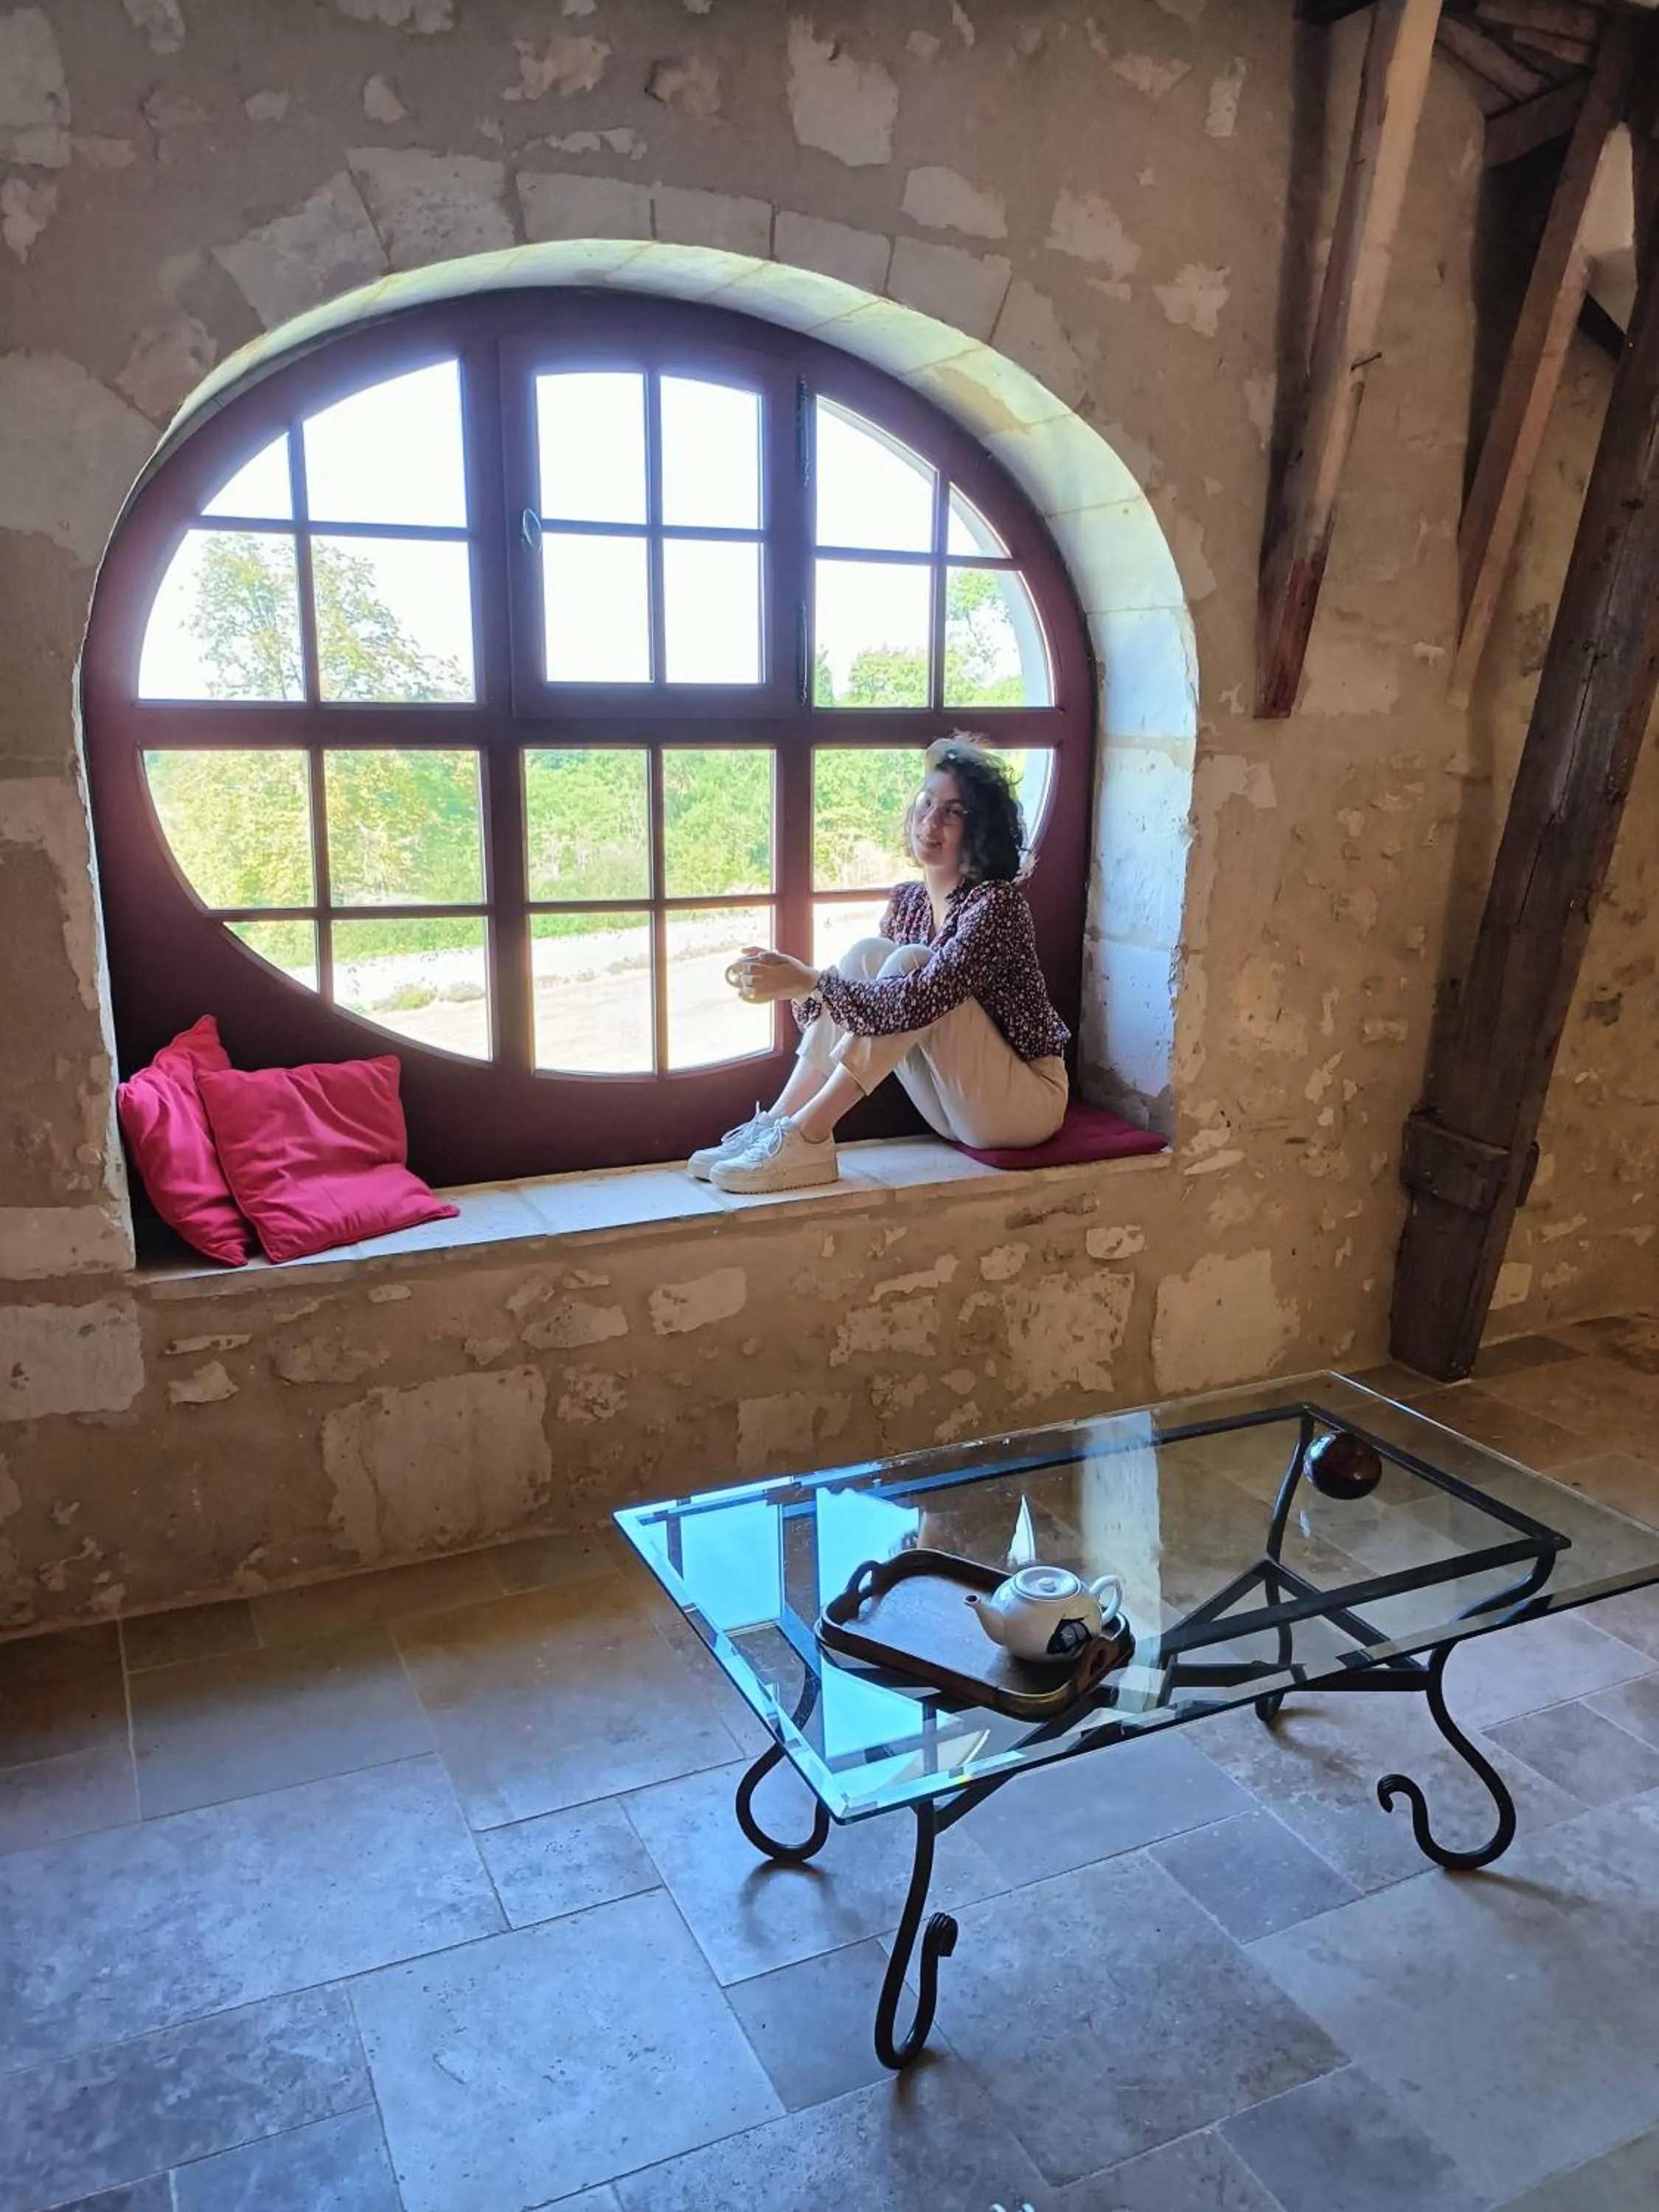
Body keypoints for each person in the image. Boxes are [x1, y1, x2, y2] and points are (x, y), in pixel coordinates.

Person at [690, 735, 1071, 1194]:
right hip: (956, 1105)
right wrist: (802, 989)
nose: (931, 821)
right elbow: (865, 1011)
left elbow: (922, 996)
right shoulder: (908, 903)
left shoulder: (997, 904)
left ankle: (809, 1135)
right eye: (925, 803)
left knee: (912, 963)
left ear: (980, 827)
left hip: (1025, 1105)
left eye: (953, 812)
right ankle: (778, 1124)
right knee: (868, 955)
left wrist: (813, 981)